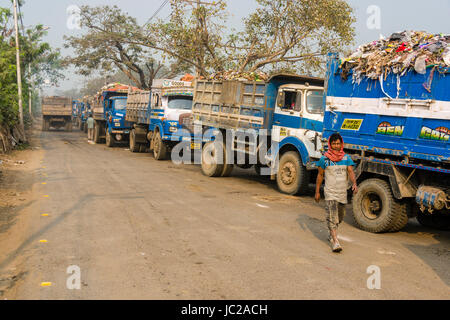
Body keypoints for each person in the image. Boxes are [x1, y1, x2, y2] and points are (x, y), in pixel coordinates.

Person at [315, 133, 358, 253]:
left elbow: (350, 172)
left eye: (338, 143)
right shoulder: (324, 159)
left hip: (341, 193)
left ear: (341, 144)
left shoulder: (346, 158)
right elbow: (320, 175)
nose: (336, 146)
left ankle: (332, 232)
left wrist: (354, 183)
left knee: (340, 216)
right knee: (332, 216)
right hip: (330, 192)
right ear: (330, 144)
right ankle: (335, 241)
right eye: (333, 143)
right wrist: (317, 191)